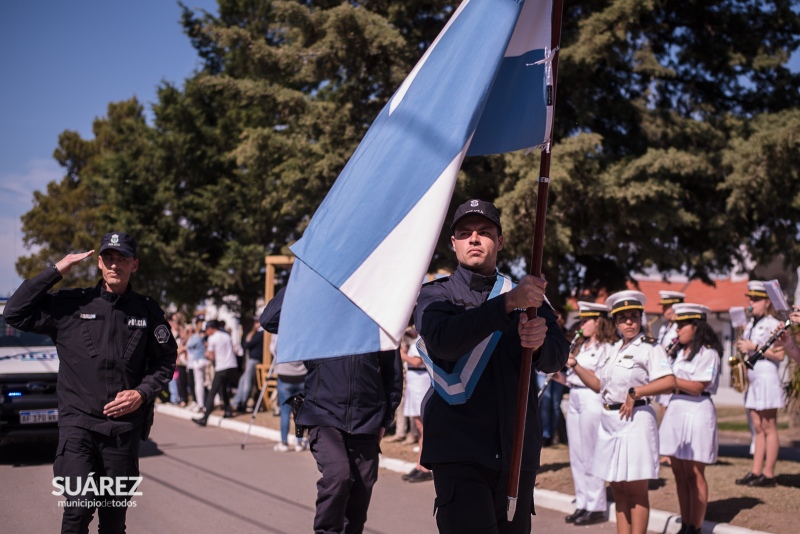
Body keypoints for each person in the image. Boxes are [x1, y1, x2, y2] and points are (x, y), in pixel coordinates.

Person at [3, 231, 176, 534]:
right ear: (99, 262)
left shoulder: (146, 311)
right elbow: (14, 313)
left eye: (122, 259)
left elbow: (165, 359)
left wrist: (142, 393)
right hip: (78, 427)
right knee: (78, 508)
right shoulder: (71, 305)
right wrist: (57, 269)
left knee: (113, 520)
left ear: (134, 265)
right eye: (108, 258)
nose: (114, 265)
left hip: (122, 432)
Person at [413, 199, 569, 534]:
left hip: (516, 454)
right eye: (465, 233)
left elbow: (558, 356)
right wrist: (508, 304)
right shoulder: (435, 296)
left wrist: (541, 341)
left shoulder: (527, 295)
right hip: (460, 452)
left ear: (499, 241)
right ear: (452, 243)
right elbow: (444, 340)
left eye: (484, 232)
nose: (474, 239)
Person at [261, 287, 403, 534]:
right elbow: (270, 320)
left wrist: (385, 419)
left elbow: (393, 376)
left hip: (367, 418)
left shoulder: (378, 318)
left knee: (360, 495)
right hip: (322, 413)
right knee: (338, 476)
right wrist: (308, 272)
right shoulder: (316, 314)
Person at [577, 290, 676, 534]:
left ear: (641, 318)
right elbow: (600, 385)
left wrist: (636, 392)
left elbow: (669, 381)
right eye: (623, 318)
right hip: (610, 422)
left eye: (634, 316)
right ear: (616, 322)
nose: (629, 322)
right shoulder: (613, 350)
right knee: (618, 488)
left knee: (636, 491)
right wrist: (575, 365)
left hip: (636, 421)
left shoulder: (650, 348)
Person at [658, 303, 722, 534]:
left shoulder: (708, 353)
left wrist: (671, 381)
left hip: (697, 410)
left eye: (683, 325)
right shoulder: (677, 353)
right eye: (677, 325)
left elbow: (697, 386)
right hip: (676, 409)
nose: (678, 330)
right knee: (679, 472)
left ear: (696, 326)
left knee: (695, 473)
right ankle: (685, 524)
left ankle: (695, 526)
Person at [562, 301, 617, 526]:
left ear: (599, 322)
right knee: (576, 453)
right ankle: (582, 502)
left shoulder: (608, 348)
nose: (581, 324)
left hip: (591, 399)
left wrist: (575, 366)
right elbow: (575, 375)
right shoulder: (581, 345)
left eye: (586, 320)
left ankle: (596, 505)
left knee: (591, 453)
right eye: (581, 320)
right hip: (574, 395)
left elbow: (598, 380)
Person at [734, 281, 785, 487]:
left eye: (755, 299)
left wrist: (754, 346)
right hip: (753, 375)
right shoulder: (750, 324)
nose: (751, 302)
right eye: (750, 298)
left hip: (766, 374)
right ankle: (756, 471)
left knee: (768, 425)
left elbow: (780, 355)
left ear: (766, 302)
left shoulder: (773, 324)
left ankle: (769, 473)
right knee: (757, 426)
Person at [400, 328, 432, 483]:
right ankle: (419, 463)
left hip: (421, 380)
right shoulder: (413, 338)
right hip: (413, 381)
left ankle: (426, 466)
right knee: (418, 427)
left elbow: (418, 361)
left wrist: (402, 355)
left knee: (423, 427)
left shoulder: (424, 337)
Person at [192, 320, 239, 425]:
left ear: (210, 329)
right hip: (232, 366)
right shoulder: (226, 336)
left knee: (212, 392)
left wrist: (206, 353)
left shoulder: (212, 339)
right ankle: (228, 410)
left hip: (222, 367)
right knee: (224, 389)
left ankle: (205, 418)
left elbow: (211, 356)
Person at [272, 333, 309, 452]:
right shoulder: (303, 337)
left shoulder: (282, 335)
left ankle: (284, 442)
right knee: (299, 411)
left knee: (285, 411)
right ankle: (299, 442)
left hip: (284, 376)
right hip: (301, 376)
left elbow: (273, 349)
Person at [232, 319, 264, 413]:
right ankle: (237, 401)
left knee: (246, 382)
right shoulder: (256, 333)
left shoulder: (261, 334)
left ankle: (242, 403)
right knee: (243, 380)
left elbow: (247, 344)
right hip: (251, 359)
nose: (256, 323)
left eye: (258, 321)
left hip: (254, 359)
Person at [185, 323, 209, 410]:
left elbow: (188, 346)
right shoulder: (201, 337)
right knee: (204, 383)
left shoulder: (195, 337)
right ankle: (204, 404)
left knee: (199, 384)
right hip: (204, 361)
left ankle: (201, 404)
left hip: (199, 361)